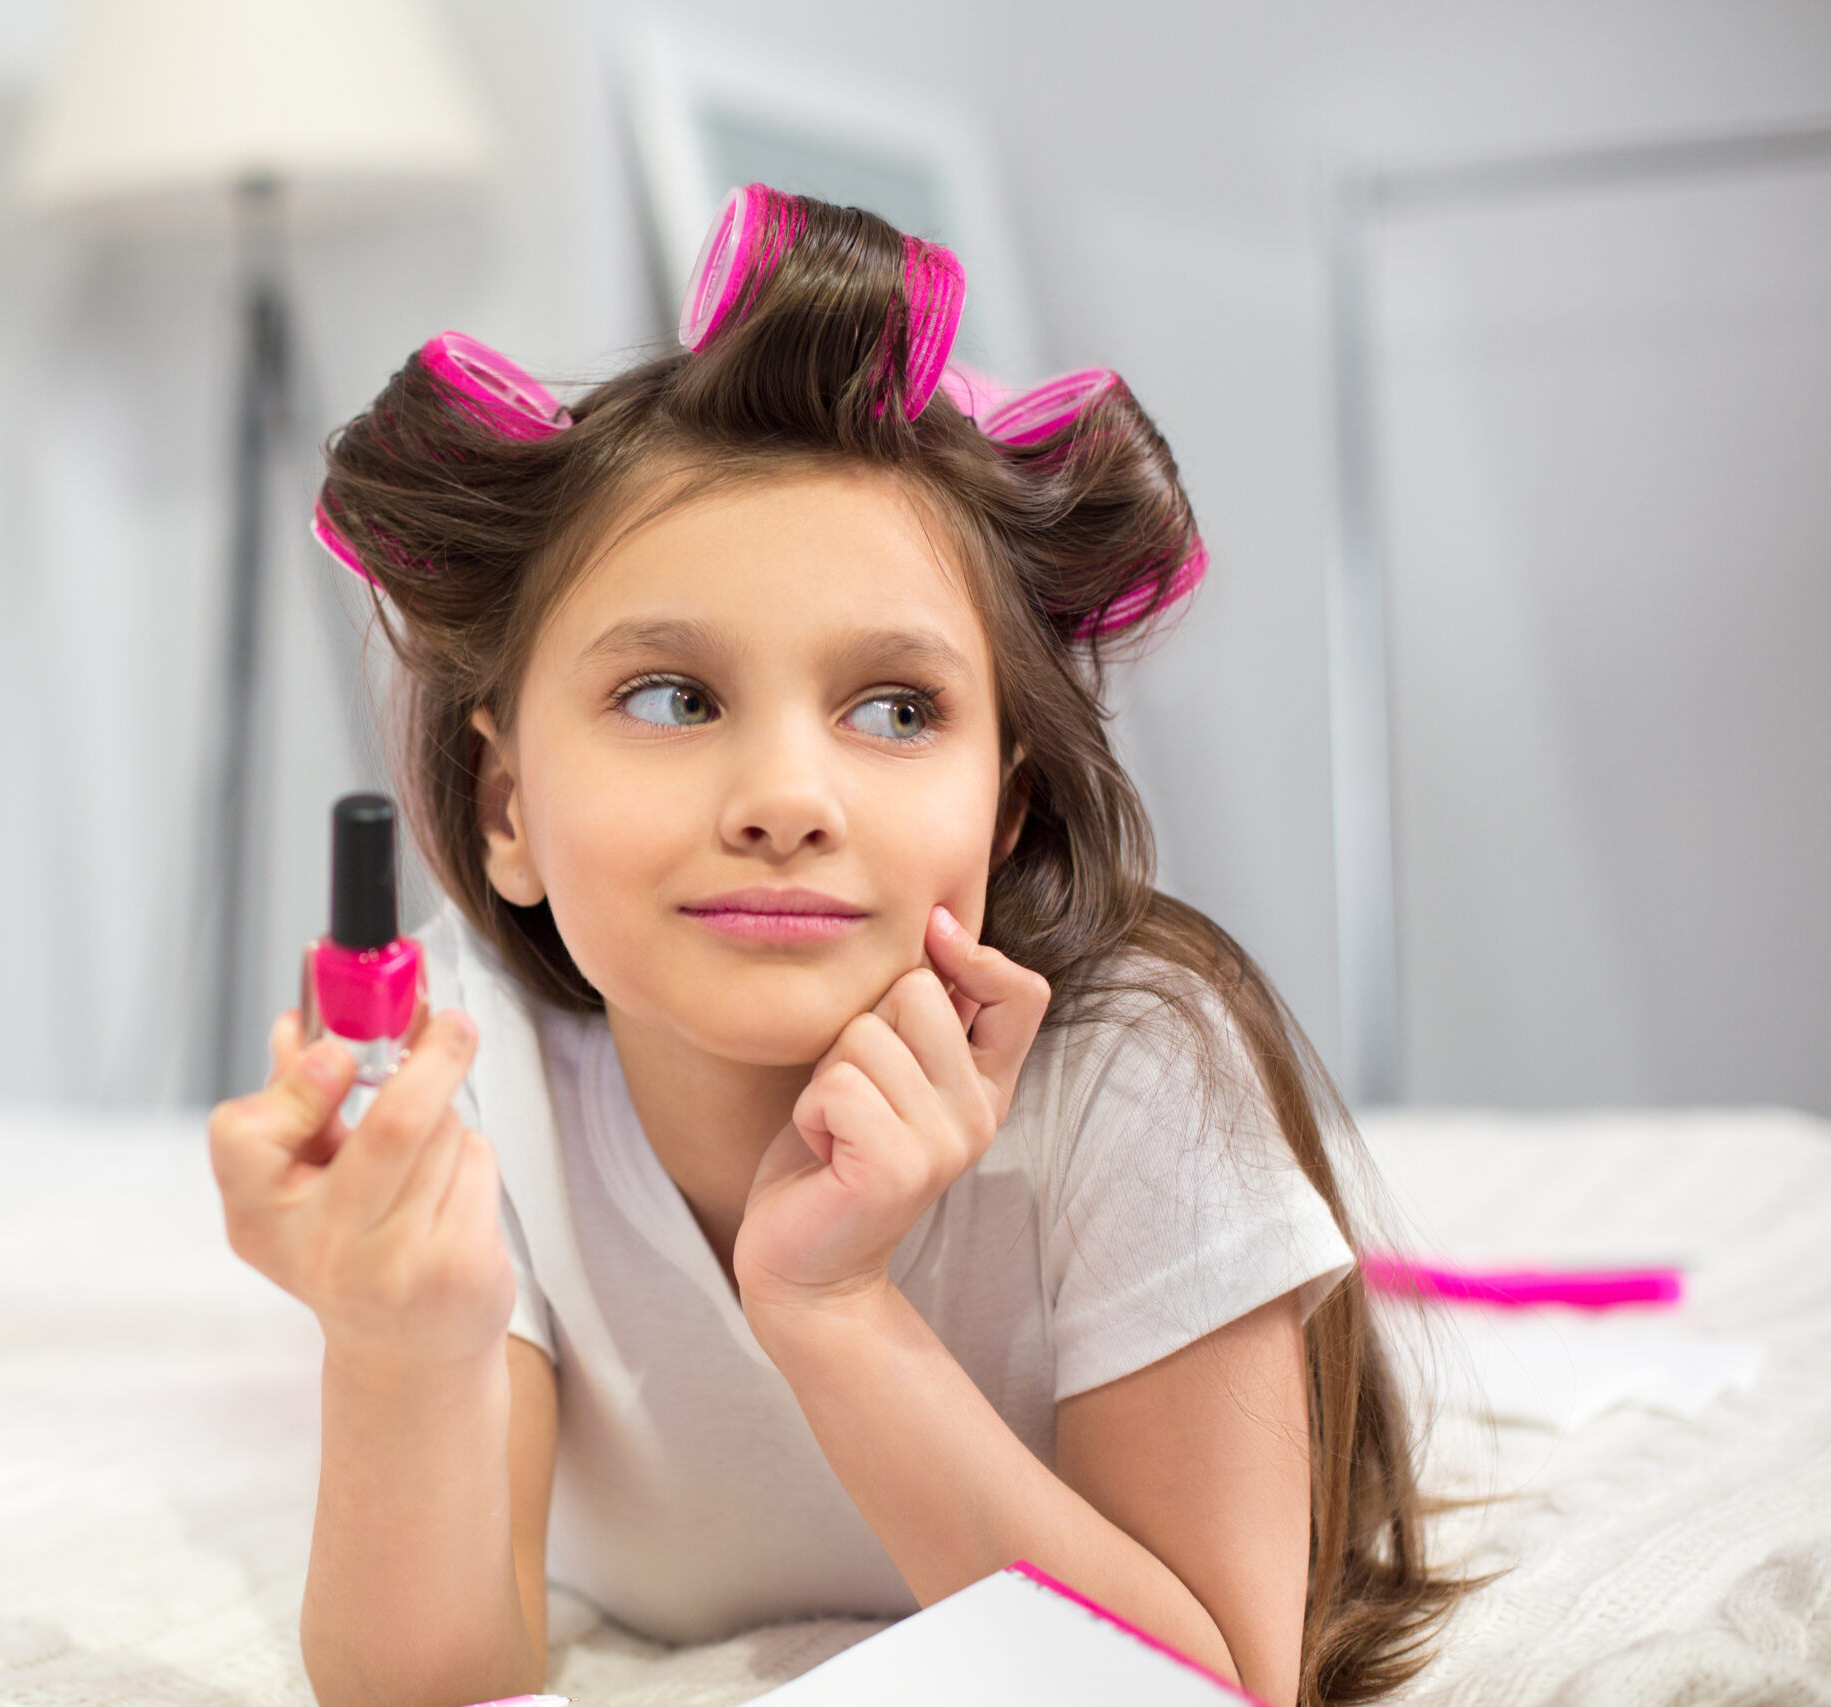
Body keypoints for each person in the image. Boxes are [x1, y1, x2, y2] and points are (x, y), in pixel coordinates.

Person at [207, 184, 1460, 1707]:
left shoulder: (1138, 1077)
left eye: (895, 709)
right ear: (506, 807)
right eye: (671, 698)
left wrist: (835, 1311)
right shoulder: (470, 1068)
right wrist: (398, 1344)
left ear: (1005, 809)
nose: (787, 800)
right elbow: (438, 1691)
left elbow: (1218, 1688)